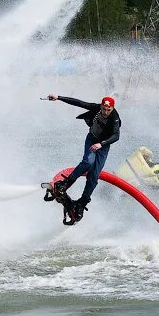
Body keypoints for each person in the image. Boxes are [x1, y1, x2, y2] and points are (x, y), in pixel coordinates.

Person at [47, 93, 122, 223]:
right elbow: (80, 103)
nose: (105, 112)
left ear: (112, 109)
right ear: (101, 106)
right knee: (88, 162)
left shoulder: (115, 118)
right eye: (103, 109)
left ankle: (82, 203)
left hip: (103, 145)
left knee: (94, 176)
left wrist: (101, 144)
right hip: (92, 139)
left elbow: (116, 136)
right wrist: (59, 98)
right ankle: (64, 184)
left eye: (108, 110)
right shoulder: (96, 108)